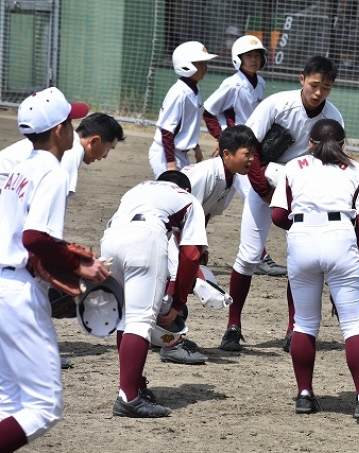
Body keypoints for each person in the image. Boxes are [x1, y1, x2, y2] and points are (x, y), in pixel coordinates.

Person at [0, 87, 110, 450]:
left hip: (4, 285)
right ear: (59, 130)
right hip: (18, 294)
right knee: (44, 407)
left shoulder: (19, 169)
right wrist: (79, 266)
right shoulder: (52, 171)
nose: (74, 128)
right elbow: (34, 238)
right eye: (71, 122)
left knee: (8, 403)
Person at [220, 55, 344, 352]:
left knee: (299, 260)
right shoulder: (277, 104)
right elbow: (249, 147)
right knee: (249, 256)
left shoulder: (333, 118)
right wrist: (264, 190)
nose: (319, 92)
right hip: (265, 180)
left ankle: (294, 329)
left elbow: (332, 161)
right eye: (314, 84)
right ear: (302, 79)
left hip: (302, 191)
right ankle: (233, 326)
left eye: (326, 87)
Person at [270, 119, 359, 422]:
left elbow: (278, 215)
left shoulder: (293, 166)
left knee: (304, 323)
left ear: (309, 143)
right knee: (354, 326)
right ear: (343, 145)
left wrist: (300, 230)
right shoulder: (355, 169)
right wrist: (355, 258)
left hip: (301, 240)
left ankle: (304, 395)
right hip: (340, 238)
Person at [102, 171, 207, 418]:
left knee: (126, 318)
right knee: (141, 320)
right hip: (145, 238)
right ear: (185, 188)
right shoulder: (188, 198)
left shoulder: (138, 188)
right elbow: (191, 255)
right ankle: (129, 399)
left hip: (110, 239)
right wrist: (178, 303)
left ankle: (132, 385)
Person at [159, 125, 258, 365]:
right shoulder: (206, 175)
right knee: (183, 278)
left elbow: (203, 213)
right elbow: (179, 211)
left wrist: (200, 245)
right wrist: (188, 250)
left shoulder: (229, 177)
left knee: (182, 279)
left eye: (254, 154)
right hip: (163, 228)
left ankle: (161, 333)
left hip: (177, 229)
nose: (252, 159)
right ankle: (170, 341)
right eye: (247, 154)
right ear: (227, 154)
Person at [203, 34, 287, 278]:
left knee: (216, 200)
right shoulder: (233, 84)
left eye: (257, 56)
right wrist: (223, 139)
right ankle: (258, 257)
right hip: (237, 152)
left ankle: (191, 245)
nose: (254, 60)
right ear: (237, 59)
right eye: (248, 56)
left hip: (250, 148)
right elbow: (209, 111)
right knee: (248, 196)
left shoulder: (259, 82)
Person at [0, 112, 125, 194]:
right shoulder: (72, 151)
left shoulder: (64, 142)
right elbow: (53, 202)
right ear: (95, 141)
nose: (105, 156)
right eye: (108, 149)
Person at [148, 41, 217, 178]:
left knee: (185, 190)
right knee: (170, 190)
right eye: (200, 63)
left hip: (179, 154)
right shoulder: (179, 93)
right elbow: (167, 131)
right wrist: (171, 164)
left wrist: (196, 148)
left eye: (205, 63)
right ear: (185, 65)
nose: (205, 67)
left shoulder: (194, 89)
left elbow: (187, 126)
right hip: (165, 154)